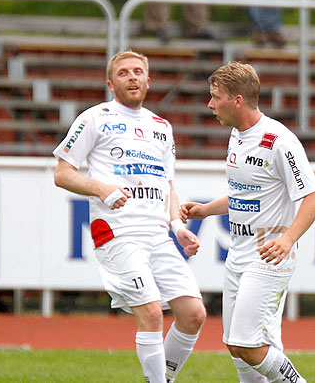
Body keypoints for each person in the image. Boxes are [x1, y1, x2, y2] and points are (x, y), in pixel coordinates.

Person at [53, 51, 206, 383]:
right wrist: (99, 188)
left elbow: (167, 185)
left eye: (139, 72)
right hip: (118, 232)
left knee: (193, 314)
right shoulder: (94, 118)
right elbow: (62, 174)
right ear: (111, 84)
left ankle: (163, 378)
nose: (132, 77)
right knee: (151, 313)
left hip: (158, 235)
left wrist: (178, 226)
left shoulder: (161, 127)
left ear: (149, 81)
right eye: (124, 73)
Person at [181, 61, 315, 383]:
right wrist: (206, 210)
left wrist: (287, 240)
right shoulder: (237, 135)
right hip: (239, 254)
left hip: (268, 257)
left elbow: (314, 197)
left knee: (244, 344)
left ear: (237, 101)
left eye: (215, 96)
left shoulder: (278, 140)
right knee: (238, 347)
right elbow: (249, 195)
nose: (209, 104)